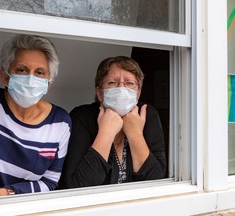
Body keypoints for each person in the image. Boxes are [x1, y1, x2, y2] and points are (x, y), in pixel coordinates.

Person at [0, 34, 71, 197]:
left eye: (39, 72)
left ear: (49, 82)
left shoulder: (60, 122)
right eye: (22, 70)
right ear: (5, 76)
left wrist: (5, 194)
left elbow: (50, 181)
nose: (31, 79)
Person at [59, 56, 166, 189]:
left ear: (138, 93)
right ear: (99, 93)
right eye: (112, 83)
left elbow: (157, 181)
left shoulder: (147, 114)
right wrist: (106, 133)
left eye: (129, 83)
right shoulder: (82, 117)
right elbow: (77, 186)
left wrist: (135, 134)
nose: (121, 88)